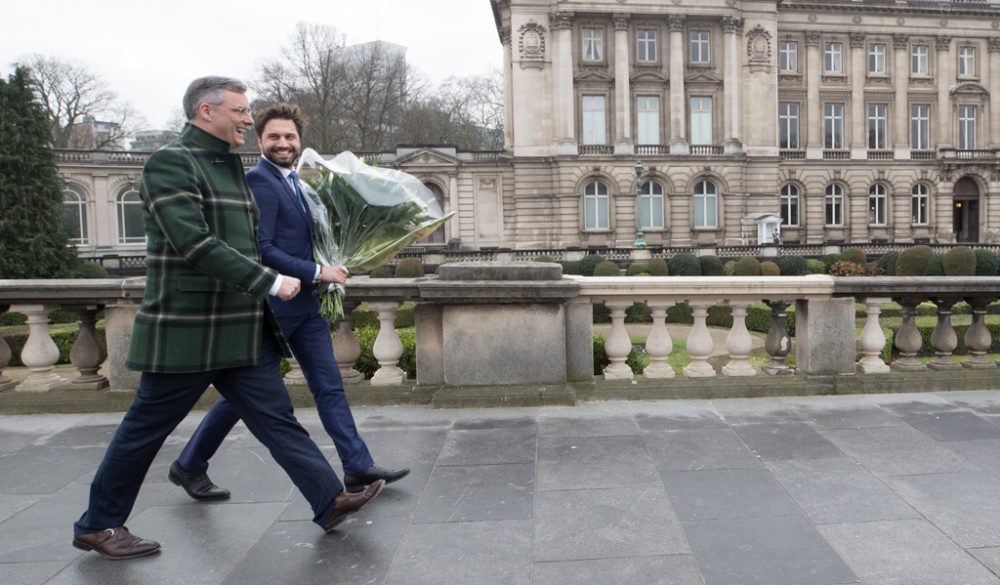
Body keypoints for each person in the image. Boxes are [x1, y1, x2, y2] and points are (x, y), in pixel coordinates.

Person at [71, 77, 384, 561]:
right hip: (189, 329)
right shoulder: (170, 162)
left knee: (278, 419)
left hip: (239, 325)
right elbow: (193, 244)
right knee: (143, 431)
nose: (246, 119)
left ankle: (329, 499)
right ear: (205, 111)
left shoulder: (231, 169)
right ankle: (99, 524)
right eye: (239, 111)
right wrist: (271, 281)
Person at [168, 103, 409, 500]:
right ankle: (189, 464)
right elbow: (262, 249)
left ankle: (357, 465)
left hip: (305, 307)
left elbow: (302, 239)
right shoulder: (260, 181)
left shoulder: (296, 182)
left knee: (329, 385)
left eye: (290, 136)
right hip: (272, 309)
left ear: (300, 141)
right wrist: (318, 272)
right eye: (275, 137)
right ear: (260, 140)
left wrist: (330, 261)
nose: (283, 143)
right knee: (243, 398)